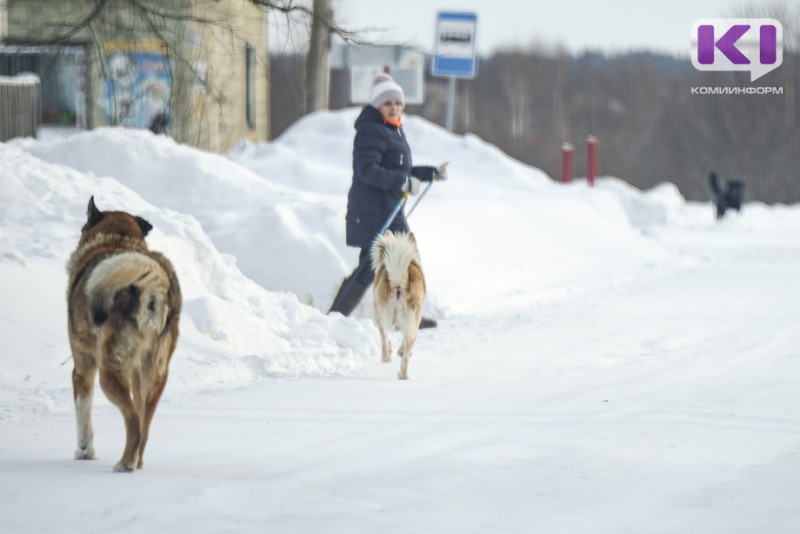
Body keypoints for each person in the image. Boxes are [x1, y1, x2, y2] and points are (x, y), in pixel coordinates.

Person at [328, 73, 446, 327]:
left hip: (389, 210)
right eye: (387, 103)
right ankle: (335, 318)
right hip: (373, 213)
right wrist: (402, 183)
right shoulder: (371, 130)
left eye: (397, 102)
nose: (394, 107)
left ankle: (401, 315)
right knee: (374, 268)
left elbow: (398, 168)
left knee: (399, 265)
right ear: (377, 105)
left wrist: (428, 173)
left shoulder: (392, 129)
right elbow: (367, 170)